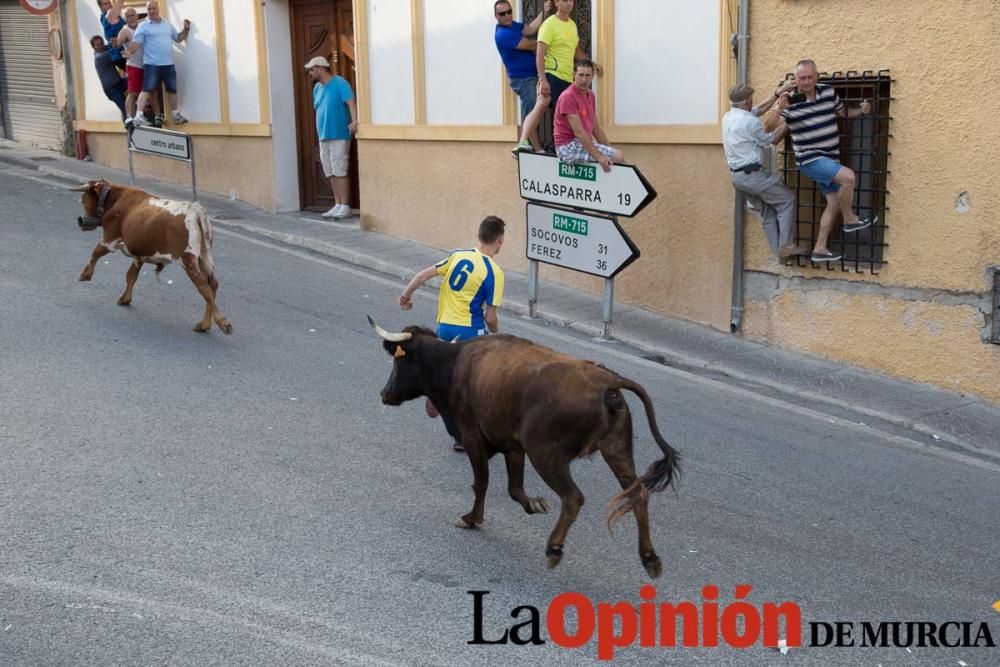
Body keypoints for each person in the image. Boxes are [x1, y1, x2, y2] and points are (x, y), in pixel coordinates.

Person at [397, 216, 506, 452]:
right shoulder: (494, 272)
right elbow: (490, 317)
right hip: (470, 332)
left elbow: (422, 276)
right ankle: (478, 433)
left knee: (450, 380)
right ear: (500, 241)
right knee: (476, 384)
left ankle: (453, 426)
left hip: (444, 328)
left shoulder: (458, 255)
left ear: (479, 236)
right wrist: (497, 332)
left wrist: (406, 296)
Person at [777, 59, 874, 263]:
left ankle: (820, 248)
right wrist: (780, 103)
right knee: (848, 177)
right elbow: (769, 128)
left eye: (809, 77)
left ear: (816, 76)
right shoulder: (791, 100)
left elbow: (842, 112)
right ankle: (850, 219)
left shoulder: (828, 92)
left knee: (834, 202)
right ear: (795, 79)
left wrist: (862, 111)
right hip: (810, 159)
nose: (805, 81)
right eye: (801, 78)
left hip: (830, 159)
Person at [723, 81, 809, 260]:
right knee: (787, 200)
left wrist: (778, 93)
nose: (753, 103)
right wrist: (789, 119)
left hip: (738, 178)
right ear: (747, 102)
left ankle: (779, 254)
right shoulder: (749, 122)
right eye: (751, 100)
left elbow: (759, 109)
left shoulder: (729, 117)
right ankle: (786, 245)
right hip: (753, 176)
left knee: (768, 213)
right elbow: (772, 139)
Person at [512, 0, 598, 156]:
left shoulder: (572, 25)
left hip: (568, 79)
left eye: (571, 0)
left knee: (564, 117)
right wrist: (542, 79)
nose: (568, 3)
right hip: (552, 74)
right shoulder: (549, 24)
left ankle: (564, 151)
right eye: (564, 0)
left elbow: (576, 50)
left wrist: (591, 64)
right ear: (556, 3)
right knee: (542, 102)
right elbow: (539, 53)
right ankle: (523, 141)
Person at [305, 56, 359, 219]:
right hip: (324, 135)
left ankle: (345, 206)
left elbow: (350, 102)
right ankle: (337, 204)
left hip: (339, 134)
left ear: (320, 69)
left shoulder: (340, 83)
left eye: (312, 70)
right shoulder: (317, 89)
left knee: (340, 169)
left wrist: (355, 121)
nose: (310, 73)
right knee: (330, 171)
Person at [494, 0, 552, 152]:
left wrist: (544, 12)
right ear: (496, 16)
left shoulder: (513, 26)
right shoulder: (503, 34)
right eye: (502, 13)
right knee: (532, 112)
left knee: (535, 110)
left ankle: (533, 147)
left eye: (509, 11)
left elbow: (530, 28)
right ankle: (536, 149)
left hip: (532, 75)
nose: (507, 15)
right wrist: (549, 41)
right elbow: (530, 44)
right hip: (523, 79)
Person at [126, 0, 190, 128]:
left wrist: (186, 30)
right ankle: (138, 116)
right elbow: (137, 43)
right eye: (149, 9)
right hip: (152, 65)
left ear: (158, 8)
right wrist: (130, 52)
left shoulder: (166, 24)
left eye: (153, 8)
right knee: (147, 90)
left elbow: (177, 38)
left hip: (168, 64)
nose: (151, 11)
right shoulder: (143, 26)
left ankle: (175, 115)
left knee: (172, 90)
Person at [553, 59, 622, 172]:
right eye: (580, 75)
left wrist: (609, 148)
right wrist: (599, 156)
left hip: (580, 142)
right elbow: (579, 132)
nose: (584, 80)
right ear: (573, 75)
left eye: (587, 75)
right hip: (567, 147)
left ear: (593, 76)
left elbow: (596, 129)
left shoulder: (590, 95)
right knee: (617, 156)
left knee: (616, 156)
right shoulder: (568, 96)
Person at [115, 4, 160, 130]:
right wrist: (118, 42)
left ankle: (157, 116)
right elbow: (120, 39)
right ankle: (129, 117)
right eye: (128, 16)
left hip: (147, 64)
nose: (130, 18)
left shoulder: (142, 25)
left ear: (137, 16)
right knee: (133, 92)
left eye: (132, 15)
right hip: (134, 65)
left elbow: (149, 19)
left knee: (152, 92)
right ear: (125, 19)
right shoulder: (124, 31)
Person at [90, 35, 127, 123]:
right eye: (97, 45)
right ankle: (130, 132)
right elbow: (116, 54)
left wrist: (113, 42)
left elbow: (109, 46)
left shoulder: (102, 50)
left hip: (119, 83)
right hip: (112, 90)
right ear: (93, 47)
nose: (101, 46)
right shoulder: (100, 57)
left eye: (101, 43)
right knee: (126, 110)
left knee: (134, 80)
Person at [97, 0, 127, 73]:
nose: (109, 5)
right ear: (100, 7)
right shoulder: (109, 16)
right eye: (105, 4)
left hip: (119, 54)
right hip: (121, 54)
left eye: (109, 3)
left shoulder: (107, 17)